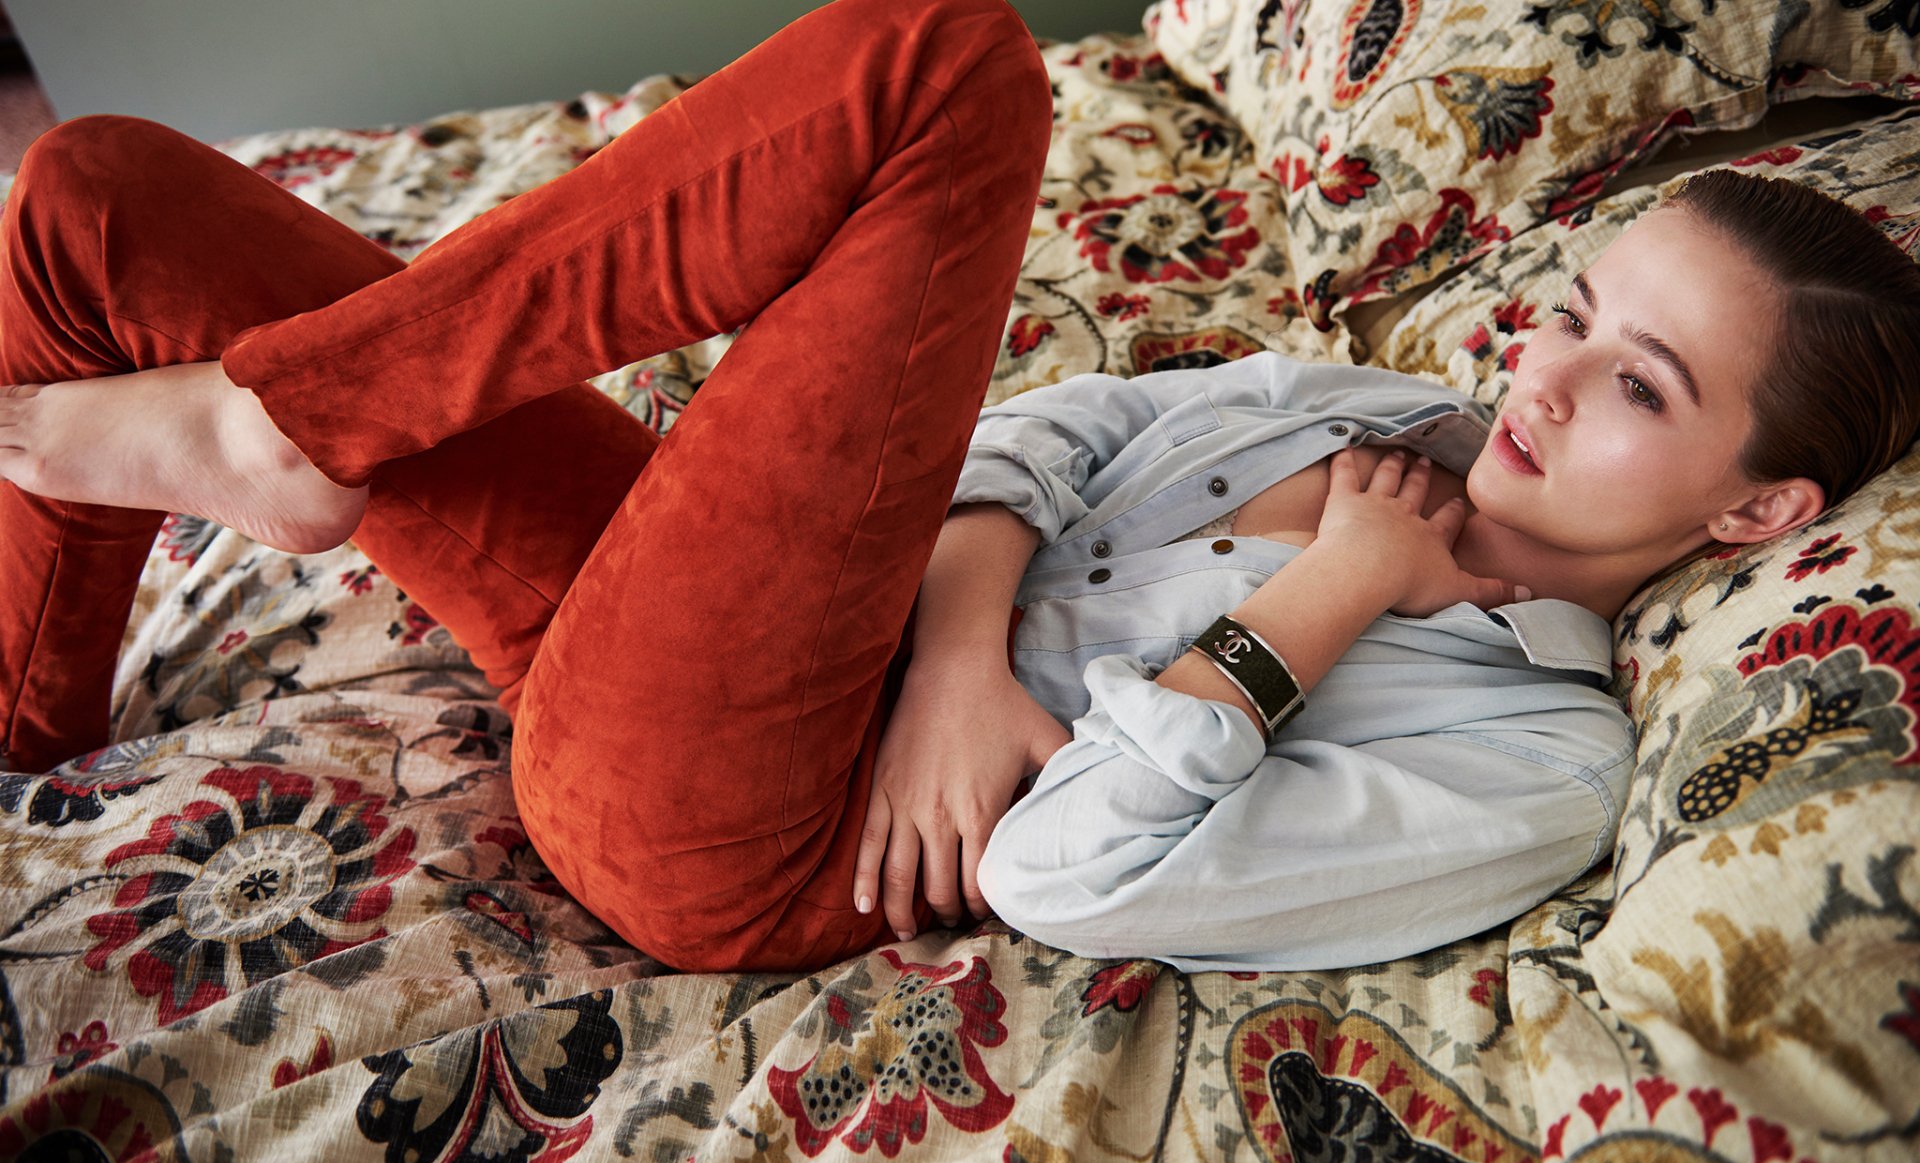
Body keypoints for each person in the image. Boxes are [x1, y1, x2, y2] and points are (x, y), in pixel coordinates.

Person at [1, 0, 1917, 975]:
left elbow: (1054, 871)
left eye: (1639, 385)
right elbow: (1042, 430)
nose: (1546, 377)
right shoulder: (1389, 403)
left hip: (743, 824)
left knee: (944, 74)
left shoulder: (1537, 755)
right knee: (95, 195)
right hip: (751, 636)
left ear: (1759, 510)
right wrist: (954, 644)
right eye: (1572, 313)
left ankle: (282, 439)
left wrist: (1318, 597)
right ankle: (23, 692)